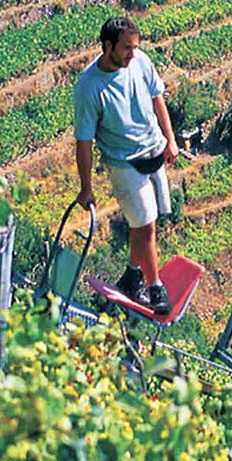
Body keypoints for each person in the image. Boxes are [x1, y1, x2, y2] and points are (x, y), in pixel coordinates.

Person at [74, 16, 178, 315]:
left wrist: (170, 139)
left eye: (135, 47)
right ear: (107, 46)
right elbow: (84, 142)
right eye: (126, 48)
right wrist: (86, 189)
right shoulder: (89, 87)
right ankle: (154, 285)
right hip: (124, 164)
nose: (133, 54)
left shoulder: (140, 61)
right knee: (144, 225)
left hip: (153, 150)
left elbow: (158, 98)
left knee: (148, 221)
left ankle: (133, 273)